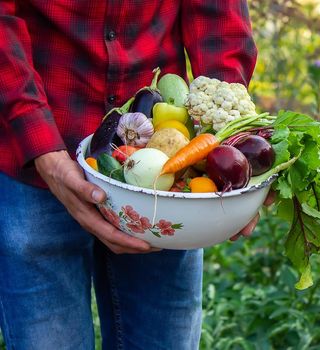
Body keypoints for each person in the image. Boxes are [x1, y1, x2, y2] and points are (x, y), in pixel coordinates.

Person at [0, 1, 266, 348]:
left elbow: (219, 27)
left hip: (165, 172)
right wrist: (40, 147)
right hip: (37, 157)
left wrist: (231, 145)